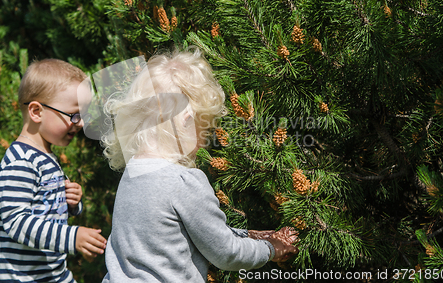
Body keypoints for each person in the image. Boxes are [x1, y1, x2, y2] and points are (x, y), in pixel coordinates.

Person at [101, 48, 298, 282]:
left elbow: (189, 234)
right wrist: (271, 249)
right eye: (205, 128)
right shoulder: (183, 181)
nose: (205, 141)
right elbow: (226, 252)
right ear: (186, 121)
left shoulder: (133, 173)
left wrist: (250, 235)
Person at [0, 59, 107, 282]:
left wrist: (71, 202)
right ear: (36, 111)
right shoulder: (21, 162)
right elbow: (16, 221)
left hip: (54, 275)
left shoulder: (46, 157)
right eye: (73, 114)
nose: (80, 123)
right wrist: (72, 237)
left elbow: (47, 209)